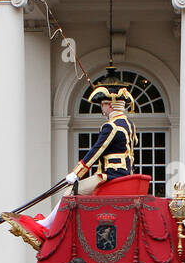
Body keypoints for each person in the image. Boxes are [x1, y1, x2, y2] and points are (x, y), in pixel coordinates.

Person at [38, 86, 136, 233]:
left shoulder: (112, 126)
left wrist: (77, 173)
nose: (102, 108)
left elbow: (96, 151)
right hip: (125, 173)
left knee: (71, 191)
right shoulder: (129, 124)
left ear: (110, 105)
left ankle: (48, 225)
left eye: (103, 105)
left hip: (110, 175)